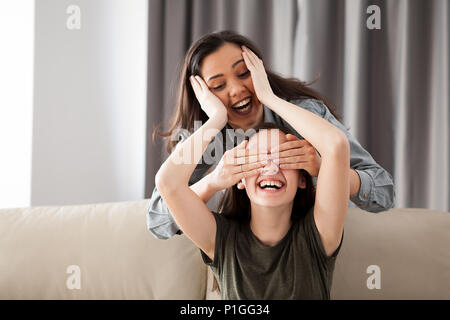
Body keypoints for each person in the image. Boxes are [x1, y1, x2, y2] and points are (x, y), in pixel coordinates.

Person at [148, 30, 395, 240]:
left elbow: (384, 193)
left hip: (318, 247)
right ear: (203, 95)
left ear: (259, 70)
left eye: (244, 73)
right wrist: (213, 179)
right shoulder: (204, 137)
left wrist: (325, 168)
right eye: (218, 86)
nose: (236, 89)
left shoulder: (304, 114)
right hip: (245, 255)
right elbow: (158, 222)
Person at [155, 45, 350, 299]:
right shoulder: (221, 240)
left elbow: (336, 145)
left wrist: (269, 98)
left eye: (283, 157)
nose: (271, 167)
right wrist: (216, 119)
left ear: (303, 180)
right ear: (241, 180)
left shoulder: (318, 235)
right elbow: (168, 184)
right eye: (258, 159)